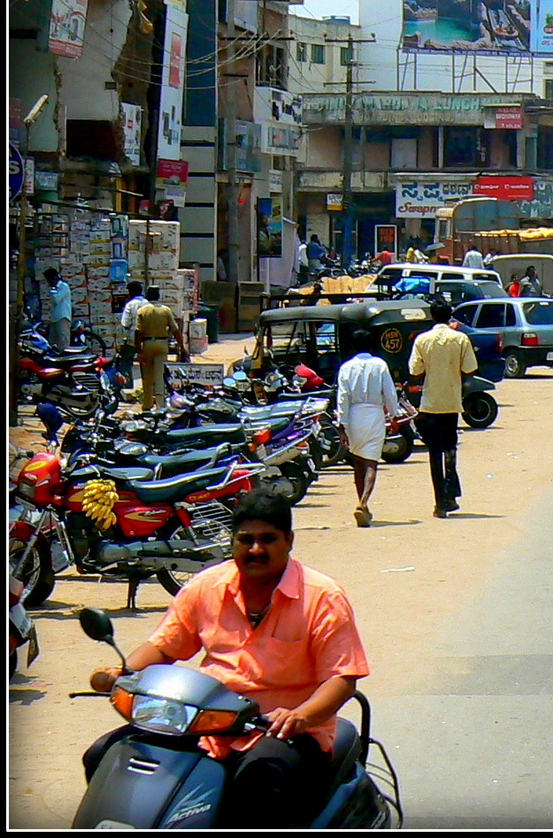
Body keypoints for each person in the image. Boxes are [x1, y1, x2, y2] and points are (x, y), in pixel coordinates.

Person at [83, 488, 370, 829]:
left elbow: (342, 678)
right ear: (232, 542)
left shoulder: (323, 597)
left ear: (289, 541)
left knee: (259, 780)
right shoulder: (206, 586)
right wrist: (124, 671)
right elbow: (164, 646)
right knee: (105, 755)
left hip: (282, 730)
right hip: (205, 721)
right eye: (245, 539)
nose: (256, 549)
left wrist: (300, 716)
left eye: (268, 539)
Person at [409, 299, 477, 518]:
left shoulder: (422, 339)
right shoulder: (460, 339)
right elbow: (470, 370)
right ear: (450, 317)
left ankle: (440, 501)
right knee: (450, 448)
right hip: (451, 402)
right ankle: (450, 494)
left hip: (429, 403)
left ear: (432, 316)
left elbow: (415, 371)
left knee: (434, 452)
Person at [335, 332, 401, 527]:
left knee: (358, 462)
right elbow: (389, 393)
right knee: (372, 462)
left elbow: (342, 398)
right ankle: (363, 503)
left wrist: (342, 426)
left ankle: (361, 504)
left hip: (354, 416)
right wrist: (394, 415)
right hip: (374, 415)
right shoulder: (380, 365)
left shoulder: (346, 368)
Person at [134, 285, 188, 410]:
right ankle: (160, 405)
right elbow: (175, 330)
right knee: (160, 375)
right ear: (158, 296)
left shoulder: (142, 311)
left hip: (147, 344)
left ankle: (147, 405)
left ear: (147, 296)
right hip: (162, 344)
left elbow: (138, 332)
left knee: (147, 377)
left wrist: (139, 351)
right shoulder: (165, 310)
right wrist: (182, 346)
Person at [116, 281, 146, 376]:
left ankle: (127, 382)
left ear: (131, 292)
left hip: (132, 339)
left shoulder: (130, 304)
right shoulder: (148, 304)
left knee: (126, 361)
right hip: (146, 338)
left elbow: (125, 323)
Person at [42, 268, 72, 349]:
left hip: (63, 317)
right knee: (53, 341)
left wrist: (53, 290)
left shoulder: (63, 287)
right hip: (55, 318)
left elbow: (56, 299)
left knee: (63, 341)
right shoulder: (54, 288)